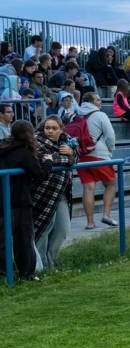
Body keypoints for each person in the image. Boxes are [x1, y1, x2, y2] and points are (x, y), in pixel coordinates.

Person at [0, 120, 52, 280]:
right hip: (19, 200)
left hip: (2, 198)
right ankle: (27, 273)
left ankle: (4, 273)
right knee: (23, 237)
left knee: (2, 238)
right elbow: (40, 174)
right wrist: (48, 162)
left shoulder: (3, 148)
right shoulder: (24, 152)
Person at [32, 116, 78, 270]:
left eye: (54, 128)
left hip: (61, 192)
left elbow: (75, 157)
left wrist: (71, 153)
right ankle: (41, 267)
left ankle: (51, 262)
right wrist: (68, 157)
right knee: (43, 229)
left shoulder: (67, 140)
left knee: (63, 229)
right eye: (47, 128)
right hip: (43, 193)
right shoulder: (36, 141)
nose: (50, 131)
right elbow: (43, 159)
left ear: (61, 129)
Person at [75, 92, 117, 229]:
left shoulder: (76, 115)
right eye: (98, 100)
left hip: (81, 156)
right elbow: (110, 136)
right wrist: (110, 150)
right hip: (99, 155)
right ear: (91, 102)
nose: (100, 102)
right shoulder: (100, 115)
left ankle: (90, 223)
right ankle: (106, 215)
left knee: (88, 188)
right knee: (111, 184)